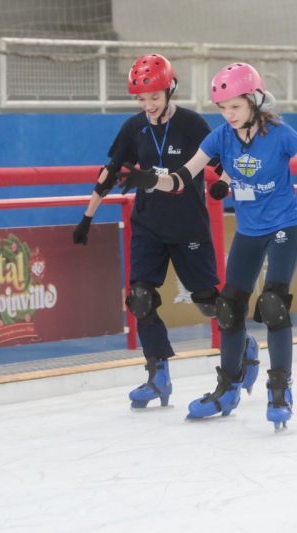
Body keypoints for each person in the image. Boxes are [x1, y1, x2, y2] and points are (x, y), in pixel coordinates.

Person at [118, 63, 297, 430]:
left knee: (273, 305)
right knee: (229, 309)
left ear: (254, 101)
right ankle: (227, 388)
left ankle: (280, 390)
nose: (228, 115)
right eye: (222, 108)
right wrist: (149, 179)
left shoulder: (281, 135)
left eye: (234, 107)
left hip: (285, 226)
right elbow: (180, 180)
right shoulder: (220, 136)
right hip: (250, 231)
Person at [72, 54, 260, 409]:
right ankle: (157, 376)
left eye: (154, 97)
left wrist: (224, 183)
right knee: (140, 298)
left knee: (208, 303)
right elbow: (111, 171)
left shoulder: (191, 124)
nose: (148, 105)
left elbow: (229, 159)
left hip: (188, 225)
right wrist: (87, 216)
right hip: (147, 226)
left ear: (170, 90)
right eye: (141, 99)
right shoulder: (134, 128)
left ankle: (244, 345)